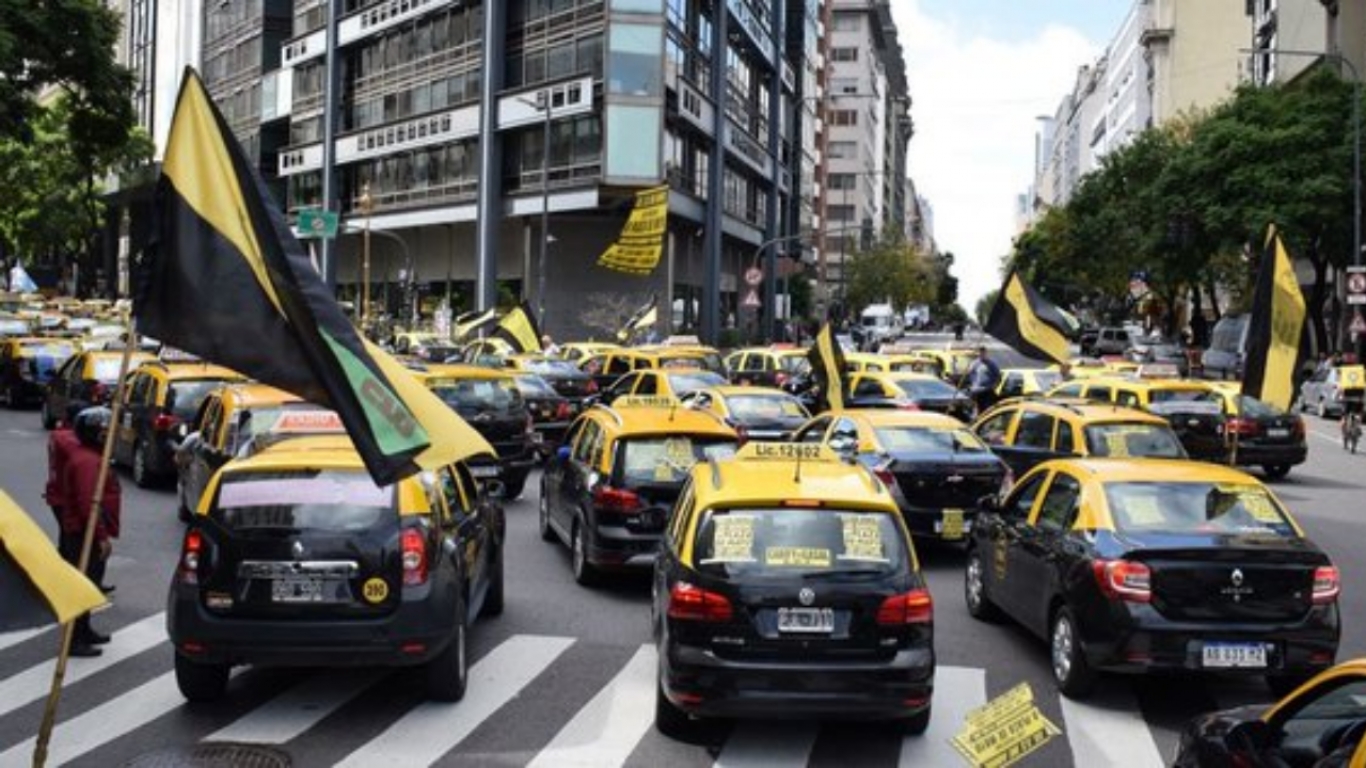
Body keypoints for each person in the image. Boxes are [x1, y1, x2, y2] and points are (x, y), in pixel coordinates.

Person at [59, 406, 121, 657]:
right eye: (105, 431)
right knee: (82, 586)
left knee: (90, 585)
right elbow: (89, 504)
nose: (109, 435)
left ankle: (84, 630)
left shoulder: (91, 457)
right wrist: (101, 536)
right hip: (82, 534)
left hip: (84, 531)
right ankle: (74, 640)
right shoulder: (87, 462)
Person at [965, 346, 1001, 414]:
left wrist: (995, 386)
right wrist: (972, 385)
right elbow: (970, 374)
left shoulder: (991, 364)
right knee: (978, 410)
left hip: (987, 391)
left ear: (986, 353)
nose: (981, 354)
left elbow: (998, 376)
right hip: (976, 391)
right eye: (980, 353)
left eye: (983, 353)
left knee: (987, 410)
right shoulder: (974, 363)